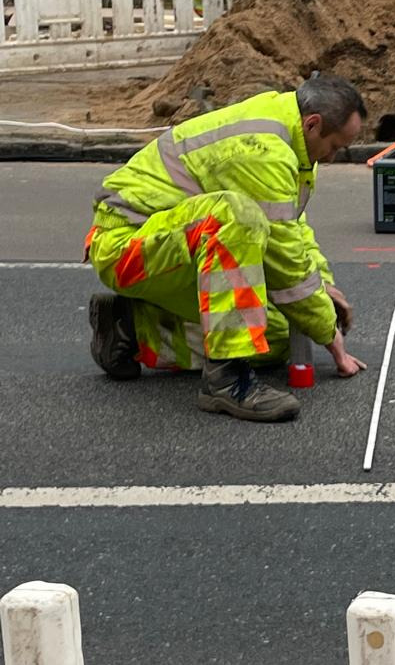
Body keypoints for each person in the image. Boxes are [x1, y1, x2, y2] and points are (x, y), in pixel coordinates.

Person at [85, 74, 368, 423]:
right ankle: (226, 381)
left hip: (173, 243)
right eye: (336, 146)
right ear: (313, 124)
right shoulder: (266, 150)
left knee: (272, 336)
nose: (334, 157)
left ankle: (130, 326)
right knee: (236, 216)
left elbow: (292, 228)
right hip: (126, 248)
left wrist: (323, 285)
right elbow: (283, 260)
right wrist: (329, 334)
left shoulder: (287, 134)